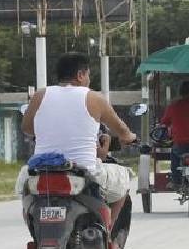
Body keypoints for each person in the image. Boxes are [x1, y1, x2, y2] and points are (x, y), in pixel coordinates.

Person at [21, 52, 137, 229]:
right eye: (88, 74)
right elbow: (121, 130)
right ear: (80, 74)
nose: (89, 80)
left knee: (27, 196)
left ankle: (36, 236)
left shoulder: (40, 96)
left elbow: (28, 129)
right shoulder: (94, 98)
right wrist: (130, 138)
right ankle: (108, 235)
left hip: (42, 170)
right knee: (124, 178)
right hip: (84, 172)